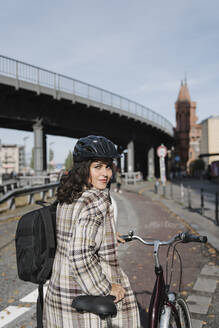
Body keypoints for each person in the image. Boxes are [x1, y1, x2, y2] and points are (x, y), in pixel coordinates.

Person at [45, 135, 140, 327]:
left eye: (108, 166)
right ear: (83, 168)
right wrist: (106, 287)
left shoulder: (68, 196)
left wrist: (106, 236)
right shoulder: (95, 201)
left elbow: (71, 234)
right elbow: (80, 254)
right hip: (86, 302)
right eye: (97, 167)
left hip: (60, 294)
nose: (105, 173)